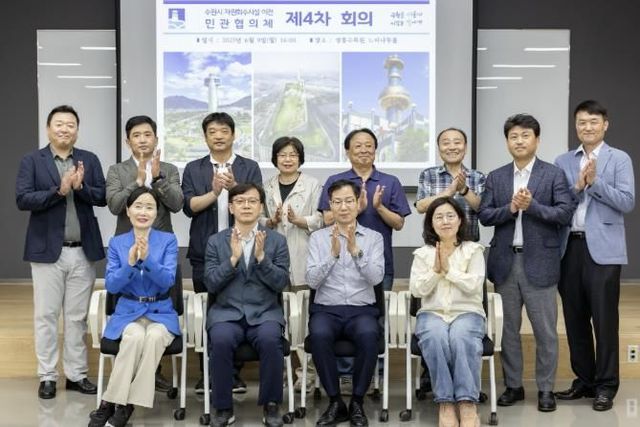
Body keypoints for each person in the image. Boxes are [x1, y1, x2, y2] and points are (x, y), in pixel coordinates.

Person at [478, 114, 576, 413]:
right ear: (507, 141)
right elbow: (485, 215)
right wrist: (510, 208)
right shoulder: (496, 177)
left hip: (541, 262)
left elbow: (564, 214)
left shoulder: (553, 174)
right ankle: (514, 386)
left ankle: (545, 389)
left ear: (537, 140)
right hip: (505, 262)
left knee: (545, 331)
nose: (519, 141)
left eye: (525, 135)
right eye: (513, 136)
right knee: (508, 330)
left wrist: (532, 206)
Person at [16, 105, 106, 399]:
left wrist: (80, 188)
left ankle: (77, 375)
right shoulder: (33, 160)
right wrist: (60, 190)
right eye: (59, 124)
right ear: (48, 128)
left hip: (82, 251)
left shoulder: (88, 159)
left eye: (70, 125)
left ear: (77, 130)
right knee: (46, 316)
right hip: (46, 252)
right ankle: (48, 376)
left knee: (77, 317)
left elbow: (102, 197)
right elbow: (23, 199)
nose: (65, 129)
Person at [554, 100, 635, 411]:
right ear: (576, 126)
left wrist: (595, 183)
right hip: (570, 247)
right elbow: (560, 204)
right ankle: (585, 381)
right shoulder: (563, 161)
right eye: (581, 122)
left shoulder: (619, 158)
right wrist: (577, 187)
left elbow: (627, 201)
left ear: (605, 124)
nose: (587, 127)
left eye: (593, 121)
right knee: (575, 319)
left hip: (604, 250)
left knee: (604, 321)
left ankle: (606, 385)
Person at [317, 128, 410, 392]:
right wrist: (354, 208)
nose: (363, 150)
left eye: (369, 145)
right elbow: (325, 219)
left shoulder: (390, 181)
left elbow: (399, 223)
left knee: (374, 322)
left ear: (376, 150)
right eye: (357, 145)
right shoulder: (336, 180)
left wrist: (378, 207)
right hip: (338, 264)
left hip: (378, 264)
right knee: (341, 319)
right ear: (347, 151)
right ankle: (346, 375)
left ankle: (373, 375)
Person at [182, 112, 262, 393]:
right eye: (212, 132)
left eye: (224, 131)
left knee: (237, 311)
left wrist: (235, 187)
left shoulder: (249, 167)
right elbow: (189, 206)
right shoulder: (194, 168)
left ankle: (233, 374)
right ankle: (207, 374)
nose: (218, 136)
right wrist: (215, 192)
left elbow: (256, 201)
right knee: (207, 313)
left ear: (233, 135)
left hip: (244, 251)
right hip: (204, 253)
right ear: (205, 137)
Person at [88, 187, 180, 427]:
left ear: (156, 212)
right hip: (128, 312)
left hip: (161, 312)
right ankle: (121, 404)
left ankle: (116, 402)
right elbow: (112, 285)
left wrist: (147, 259)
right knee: (135, 337)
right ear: (128, 211)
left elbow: (168, 281)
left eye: (149, 207)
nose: (143, 212)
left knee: (154, 337)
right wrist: (129, 263)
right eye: (138, 206)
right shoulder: (117, 243)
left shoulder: (168, 241)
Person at [105, 115, 183, 392]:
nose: (142, 139)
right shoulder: (117, 171)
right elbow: (114, 205)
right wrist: (136, 181)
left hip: (161, 248)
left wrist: (158, 178)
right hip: (127, 246)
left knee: (156, 313)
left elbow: (177, 204)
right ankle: (143, 378)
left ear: (156, 138)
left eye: (147, 134)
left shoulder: (169, 169)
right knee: (134, 316)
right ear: (127, 141)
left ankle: (147, 377)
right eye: (136, 135)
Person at [204, 183, 290, 427]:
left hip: (264, 314)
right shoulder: (216, 241)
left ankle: (271, 405)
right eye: (240, 201)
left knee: (271, 339)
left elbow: (280, 282)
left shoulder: (276, 241)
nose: (246, 206)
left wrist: (262, 259)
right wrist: (232, 259)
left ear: (261, 207)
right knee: (220, 340)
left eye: (252, 201)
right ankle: (223, 407)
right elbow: (211, 283)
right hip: (226, 314)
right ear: (231, 207)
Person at [306, 179, 384, 427]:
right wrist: (333, 255)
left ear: (358, 203)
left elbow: (376, 278)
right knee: (318, 335)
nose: (343, 207)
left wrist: (355, 251)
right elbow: (312, 281)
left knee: (369, 335)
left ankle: (357, 402)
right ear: (330, 205)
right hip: (327, 309)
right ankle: (335, 402)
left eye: (349, 201)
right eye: (337, 202)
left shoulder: (373, 238)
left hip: (362, 310)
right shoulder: (318, 238)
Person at [410, 197, 486, 427]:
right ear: (431, 223)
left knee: (461, 337)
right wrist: (435, 271)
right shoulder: (422, 254)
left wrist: (449, 270)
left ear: (460, 220)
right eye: (439, 217)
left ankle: (467, 402)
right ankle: (445, 402)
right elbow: (417, 289)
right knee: (435, 336)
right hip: (432, 313)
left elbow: (474, 286)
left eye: (450, 216)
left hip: (467, 312)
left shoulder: (473, 250)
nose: (445, 221)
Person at [261, 136, 323, 392]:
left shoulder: (313, 184)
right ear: (275, 158)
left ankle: (306, 373)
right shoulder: (267, 185)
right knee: (280, 318)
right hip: (274, 258)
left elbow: (321, 218)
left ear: (300, 158)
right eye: (282, 155)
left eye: (293, 155)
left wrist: (300, 221)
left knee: (303, 320)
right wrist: (271, 221)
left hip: (303, 255)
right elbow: (259, 219)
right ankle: (286, 370)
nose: (287, 159)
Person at [415, 127, 485, 242]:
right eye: (446, 143)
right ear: (439, 149)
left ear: (465, 148)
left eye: (457, 143)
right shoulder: (428, 174)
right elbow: (420, 207)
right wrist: (448, 193)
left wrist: (464, 190)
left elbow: (482, 209)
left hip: (469, 244)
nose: (452, 147)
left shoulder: (478, 177)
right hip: (436, 244)